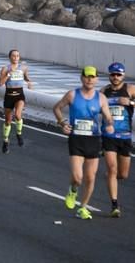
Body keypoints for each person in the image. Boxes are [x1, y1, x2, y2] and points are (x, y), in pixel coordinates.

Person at [53, 66, 114, 220]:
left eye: (92, 77)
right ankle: (73, 189)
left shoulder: (101, 98)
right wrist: (62, 123)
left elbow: (108, 116)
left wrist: (109, 123)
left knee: (90, 177)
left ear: (96, 79)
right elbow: (57, 108)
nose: (89, 79)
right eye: (87, 76)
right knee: (77, 177)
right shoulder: (72, 94)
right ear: (81, 78)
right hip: (76, 139)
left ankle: (83, 207)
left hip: (93, 139)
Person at [100, 62, 134, 217]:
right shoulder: (103, 92)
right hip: (109, 136)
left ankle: (111, 178)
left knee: (123, 174)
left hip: (126, 137)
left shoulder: (130, 89)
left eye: (118, 74)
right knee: (112, 169)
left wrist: (131, 102)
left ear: (123, 75)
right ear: (109, 75)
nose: (115, 77)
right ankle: (114, 205)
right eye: (113, 74)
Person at [0, 49, 33, 154]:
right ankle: (5, 141)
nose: (16, 58)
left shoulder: (23, 68)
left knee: (18, 115)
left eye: (17, 56)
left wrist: (29, 82)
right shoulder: (5, 69)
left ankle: (19, 133)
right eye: (14, 56)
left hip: (19, 95)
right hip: (9, 95)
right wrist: (8, 75)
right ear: (10, 57)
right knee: (8, 121)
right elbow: (0, 83)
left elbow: (26, 78)